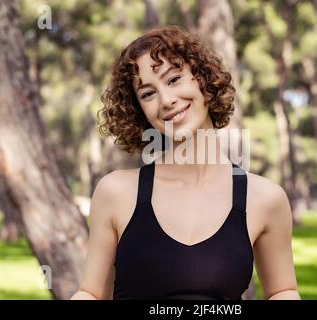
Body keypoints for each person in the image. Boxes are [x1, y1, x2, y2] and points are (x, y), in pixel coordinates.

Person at [70, 25, 300, 300]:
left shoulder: (264, 199)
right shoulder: (116, 193)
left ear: (202, 79)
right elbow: (91, 294)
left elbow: (281, 292)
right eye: (148, 94)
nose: (167, 100)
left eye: (174, 79)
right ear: (139, 111)